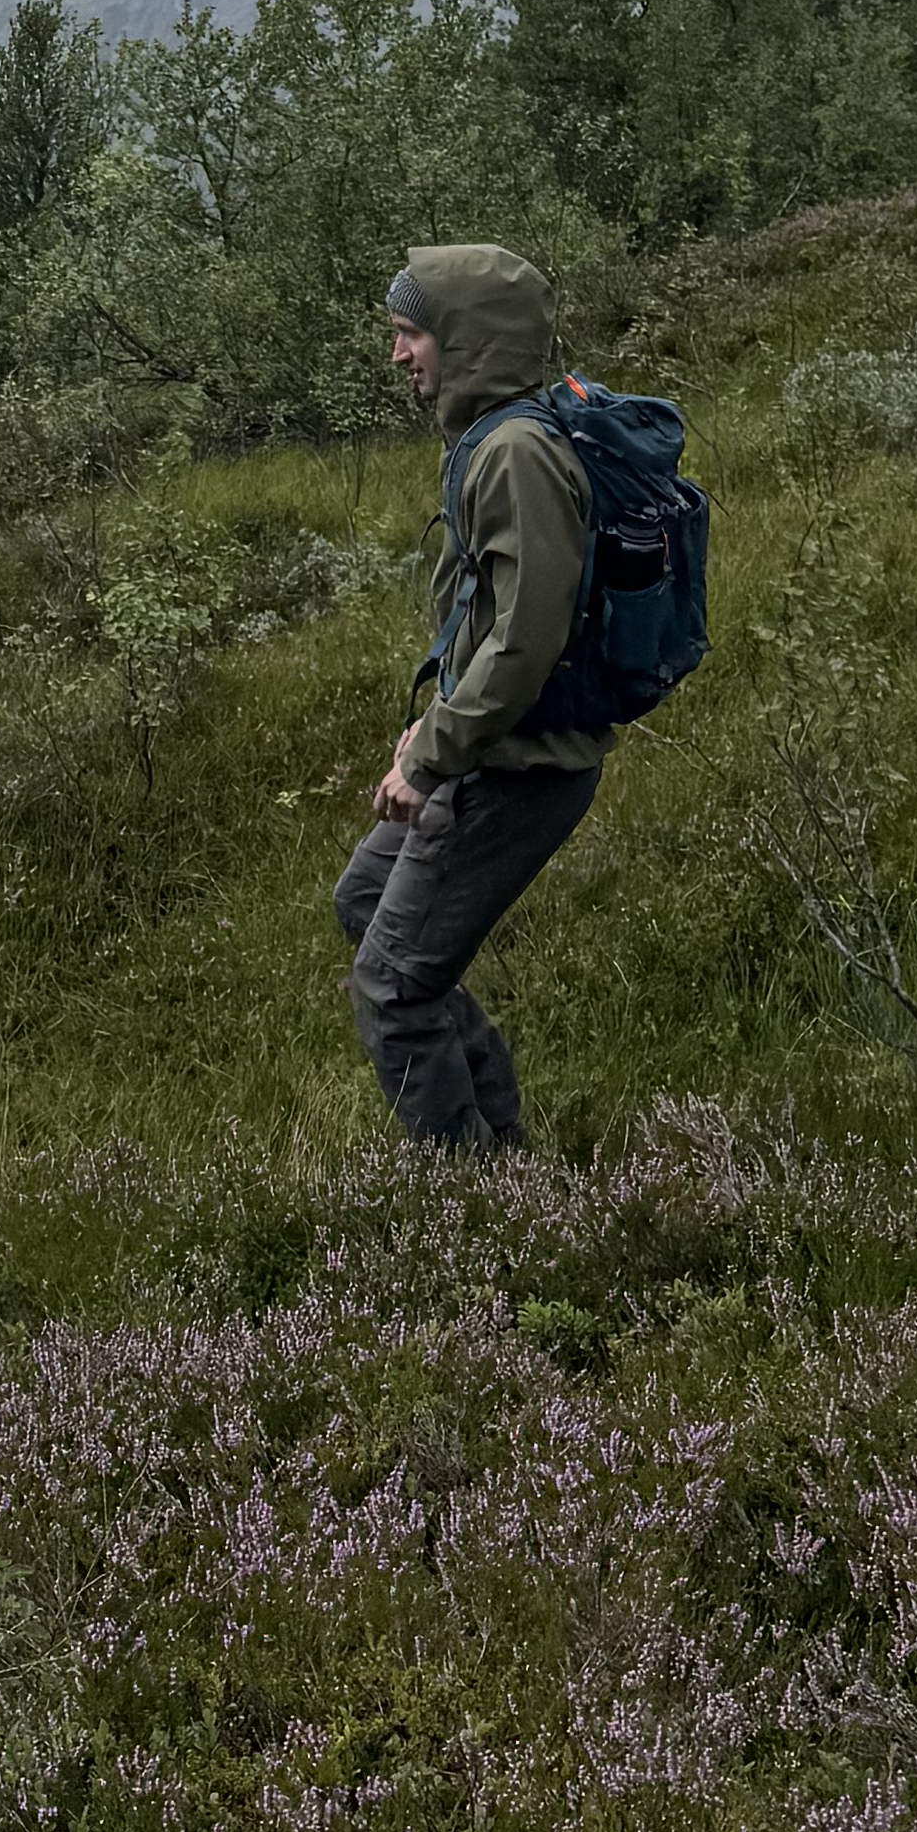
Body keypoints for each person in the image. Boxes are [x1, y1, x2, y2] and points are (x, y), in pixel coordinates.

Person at [334, 240, 606, 1155]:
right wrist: (433, 726)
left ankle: (479, 1201)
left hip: (520, 767)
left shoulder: (517, 454)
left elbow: (526, 640)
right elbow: (487, 623)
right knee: (365, 903)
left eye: (411, 333)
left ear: (467, 338)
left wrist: (431, 756)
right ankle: (501, 1152)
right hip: (488, 747)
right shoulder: (489, 441)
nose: (398, 354)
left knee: (393, 987)